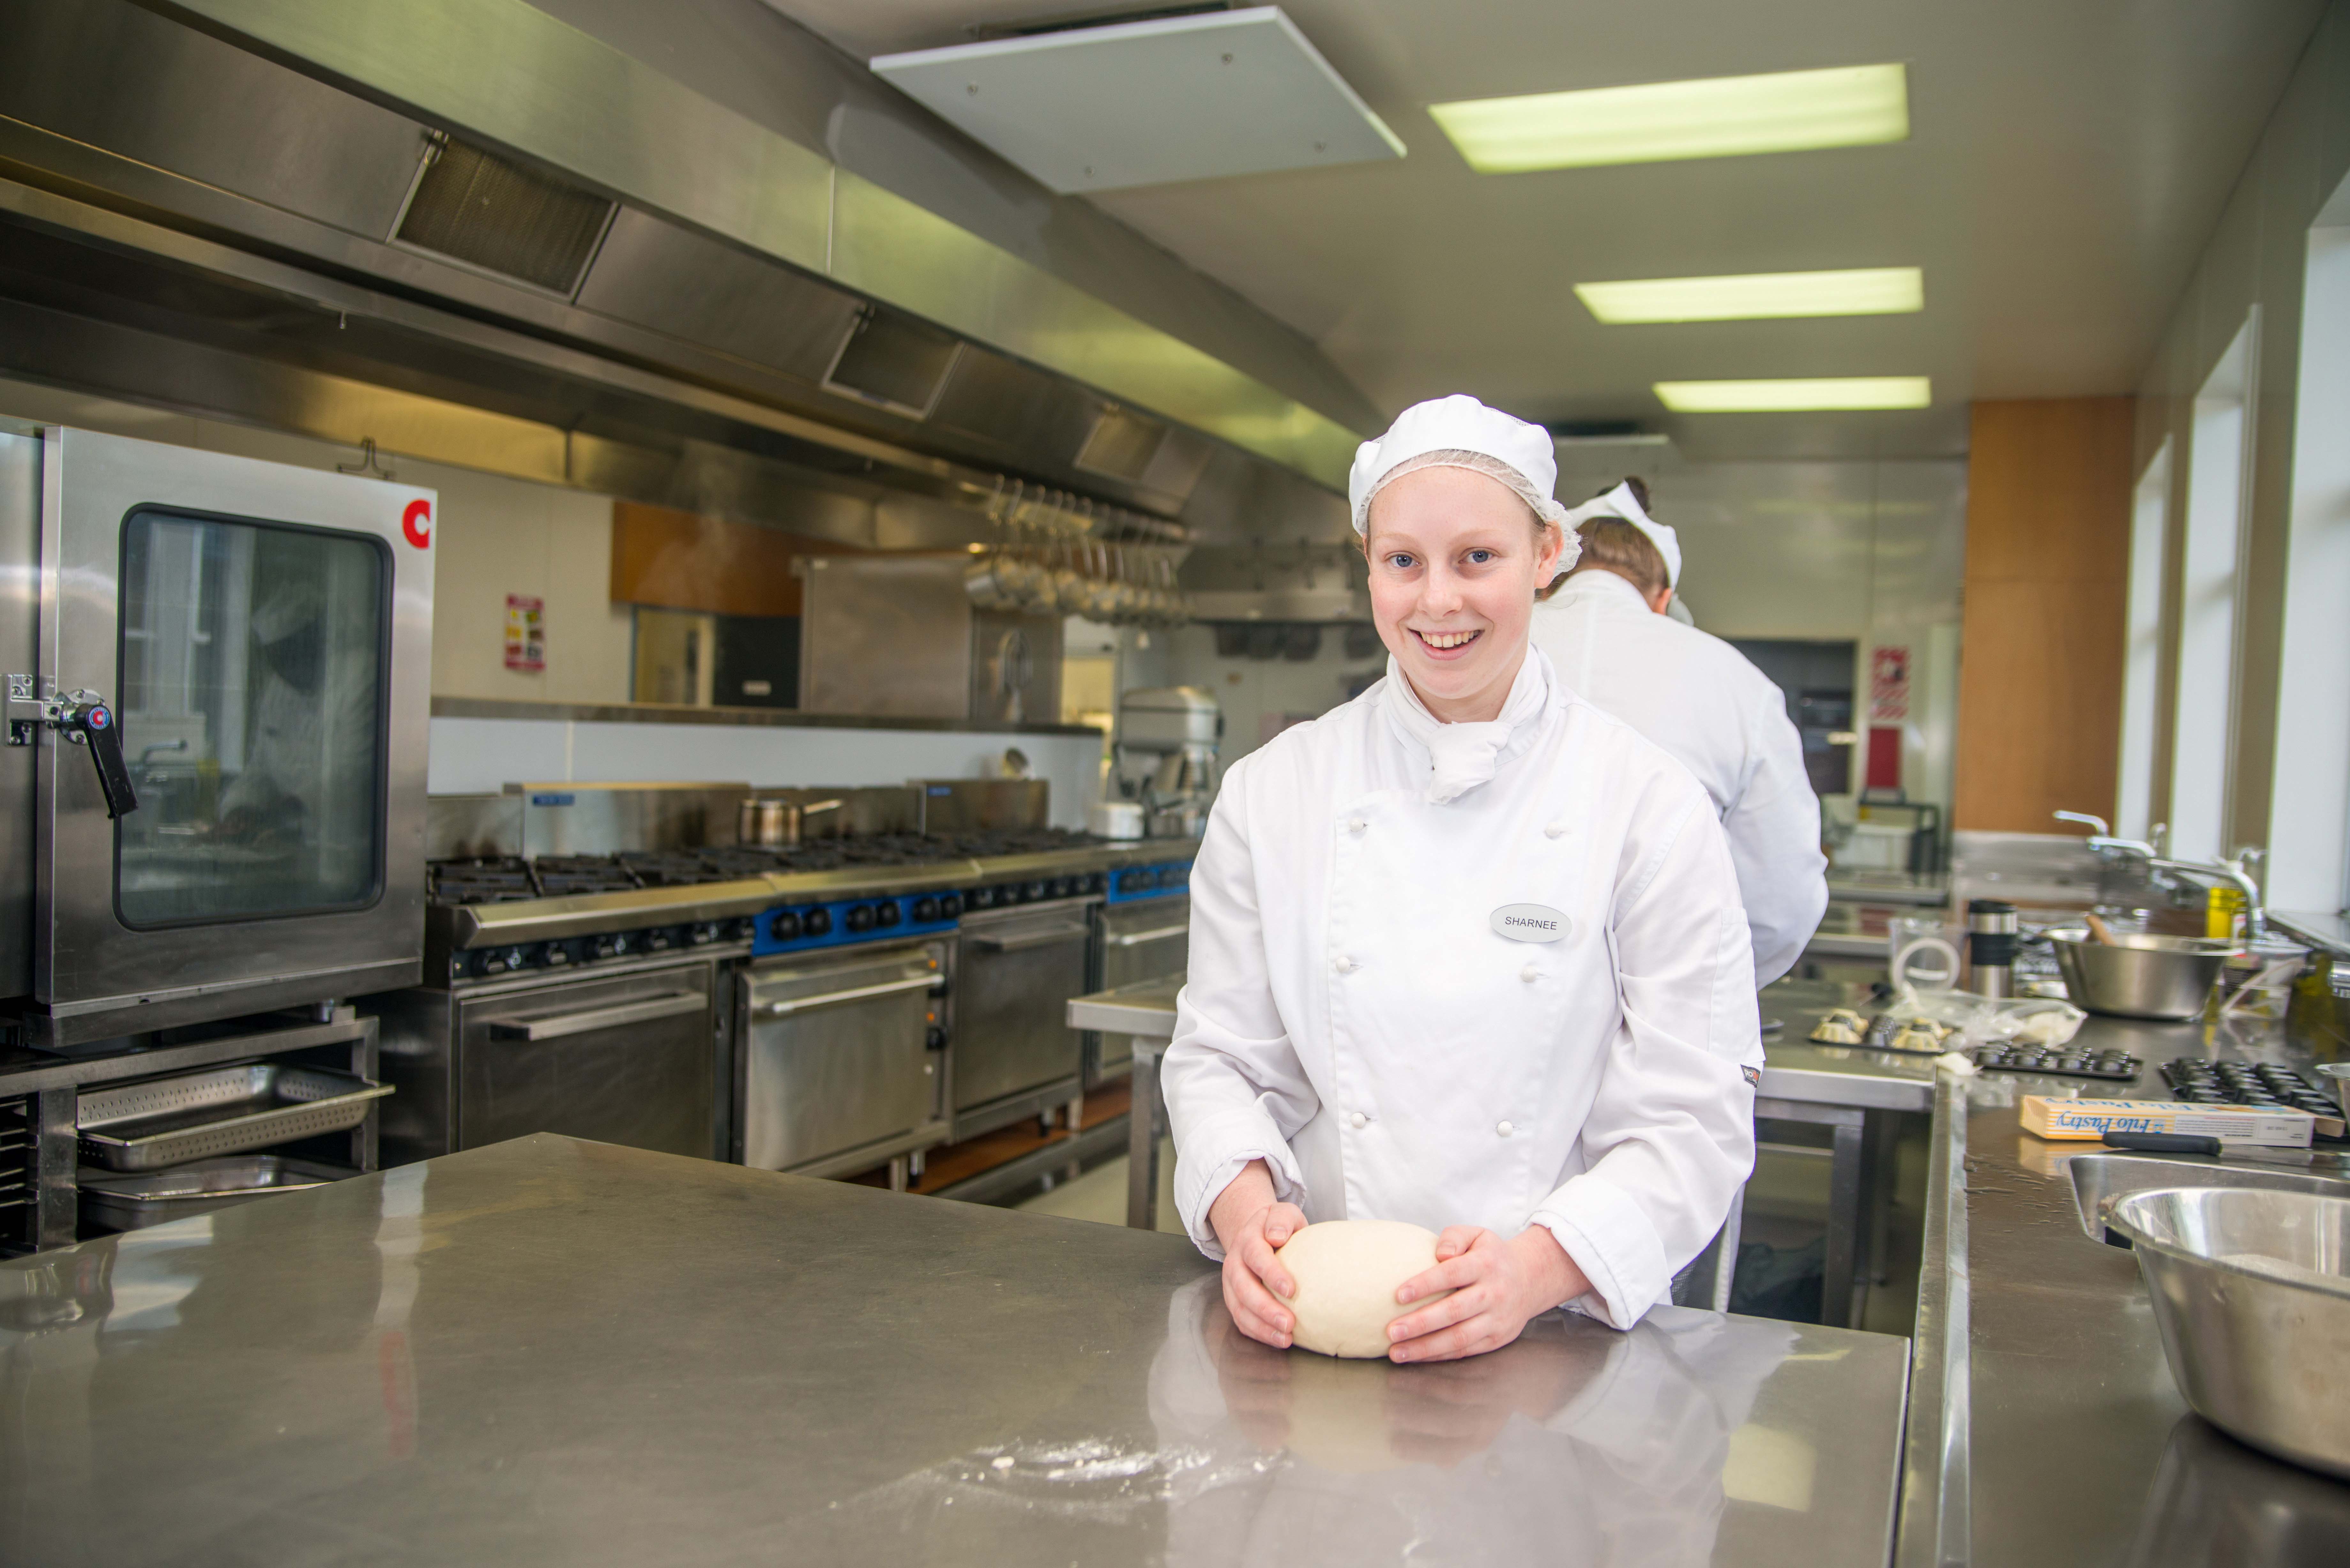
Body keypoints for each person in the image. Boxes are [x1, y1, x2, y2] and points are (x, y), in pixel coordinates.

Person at [1164, 395, 1761, 1364]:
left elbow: (1693, 1112)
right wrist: (1246, 1223)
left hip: (1554, 1340)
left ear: (1546, 556)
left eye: (1477, 557)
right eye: (1403, 561)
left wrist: (1532, 1273)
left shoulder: (1646, 802)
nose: (1437, 601)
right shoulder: (1274, 790)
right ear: (1368, 566)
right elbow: (1220, 1060)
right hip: (1314, 1321)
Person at [1529, 479, 1828, 985]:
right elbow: (1782, 898)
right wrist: (1712, 988)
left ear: (1547, 581)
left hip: (1483, 994)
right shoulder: (1737, 681)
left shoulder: (1476, 655)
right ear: (1664, 599)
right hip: (1668, 991)